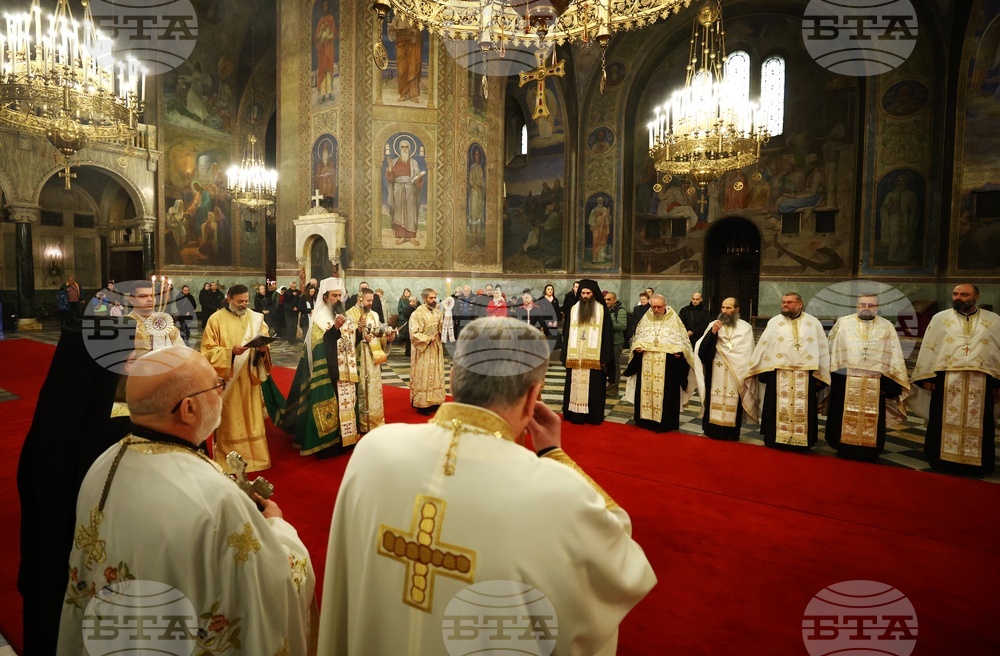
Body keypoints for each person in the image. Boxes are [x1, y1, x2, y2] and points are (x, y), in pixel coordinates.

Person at [317, 317, 657, 655]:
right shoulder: (557, 493)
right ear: (532, 398)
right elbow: (624, 563)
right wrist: (554, 454)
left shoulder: (373, 451)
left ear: (452, 377)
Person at [56, 346, 315, 655]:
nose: (221, 392)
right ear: (188, 409)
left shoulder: (103, 465)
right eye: (216, 385)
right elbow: (276, 584)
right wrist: (277, 525)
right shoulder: (215, 499)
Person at [18, 325, 133, 655]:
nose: (129, 367)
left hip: (44, 560)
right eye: (123, 360)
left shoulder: (49, 422)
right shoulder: (108, 435)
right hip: (79, 569)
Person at [909, 284, 999, 475]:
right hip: (946, 379)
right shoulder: (940, 319)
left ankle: (977, 461)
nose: (958, 297)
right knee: (940, 418)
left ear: (976, 297)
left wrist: (997, 382)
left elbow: (997, 351)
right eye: (955, 294)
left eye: (964, 294)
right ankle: (940, 458)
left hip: (982, 381)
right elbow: (930, 348)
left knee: (982, 421)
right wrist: (928, 376)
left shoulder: (993, 321)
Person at [279, 278, 361, 456]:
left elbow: (351, 340)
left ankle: (345, 438)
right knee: (330, 405)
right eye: (334, 296)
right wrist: (334, 330)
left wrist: (360, 333)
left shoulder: (343, 315)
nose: (338, 299)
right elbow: (320, 344)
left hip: (346, 369)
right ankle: (327, 443)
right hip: (328, 370)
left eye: (340, 295)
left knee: (345, 404)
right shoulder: (319, 317)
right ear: (325, 297)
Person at [742, 292, 831, 451]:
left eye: (789, 302)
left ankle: (802, 441)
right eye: (783, 302)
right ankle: (775, 439)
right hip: (778, 375)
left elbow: (822, 348)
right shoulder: (774, 323)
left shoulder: (813, 323)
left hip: (805, 376)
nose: (785, 305)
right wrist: (762, 371)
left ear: (800, 304)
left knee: (804, 409)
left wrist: (820, 374)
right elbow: (764, 346)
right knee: (775, 408)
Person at [825, 294, 910, 460]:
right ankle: (841, 444)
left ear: (877, 307)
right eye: (862, 304)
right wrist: (831, 376)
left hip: (876, 381)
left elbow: (894, 356)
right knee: (841, 411)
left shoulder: (886, 326)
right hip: (845, 379)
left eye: (870, 305)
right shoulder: (843, 322)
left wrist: (890, 382)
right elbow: (831, 349)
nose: (866, 307)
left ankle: (871, 449)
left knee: (873, 415)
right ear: (857, 305)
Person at [201, 284, 274, 472]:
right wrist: (230, 352)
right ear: (229, 298)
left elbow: (264, 339)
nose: (244, 304)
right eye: (240, 301)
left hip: (250, 377)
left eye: (246, 301)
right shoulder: (215, 320)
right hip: (229, 380)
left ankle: (256, 457)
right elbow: (207, 352)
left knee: (252, 419)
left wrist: (263, 349)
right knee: (232, 421)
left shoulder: (256, 318)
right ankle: (229, 460)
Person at [624, 294, 695, 433]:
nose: (656, 310)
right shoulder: (645, 321)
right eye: (653, 307)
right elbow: (637, 339)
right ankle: (644, 420)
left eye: (659, 307)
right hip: (646, 365)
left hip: (668, 367)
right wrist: (637, 349)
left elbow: (683, 343)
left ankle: (665, 422)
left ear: (665, 305)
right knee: (645, 391)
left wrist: (679, 354)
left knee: (666, 394)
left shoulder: (674, 321)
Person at [694, 297, 755, 440]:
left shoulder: (746, 328)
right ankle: (712, 430)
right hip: (715, 370)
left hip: (736, 372)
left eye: (729, 308)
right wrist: (713, 333)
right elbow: (702, 351)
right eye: (723, 307)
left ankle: (731, 433)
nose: (725, 311)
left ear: (737, 310)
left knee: (734, 401)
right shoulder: (713, 325)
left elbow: (748, 353)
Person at [561, 279, 614, 424]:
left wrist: (604, 357)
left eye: (588, 293)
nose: (585, 296)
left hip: (594, 360)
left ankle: (593, 416)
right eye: (582, 293)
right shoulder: (573, 309)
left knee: (594, 389)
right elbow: (566, 333)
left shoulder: (602, 311)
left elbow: (607, 336)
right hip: (575, 358)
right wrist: (565, 353)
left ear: (594, 294)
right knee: (574, 386)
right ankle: (573, 414)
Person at [347, 288, 396, 433]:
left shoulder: (374, 314)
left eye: (372, 300)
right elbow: (346, 338)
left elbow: (378, 332)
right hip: (360, 359)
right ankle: (362, 424)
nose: (370, 303)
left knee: (374, 390)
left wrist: (387, 336)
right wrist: (361, 336)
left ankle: (375, 421)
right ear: (360, 299)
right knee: (362, 390)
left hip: (373, 358)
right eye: (368, 300)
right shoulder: (350, 314)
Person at [409, 288, 446, 415]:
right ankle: (422, 404)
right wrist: (428, 338)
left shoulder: (438, 313)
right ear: (424, 299)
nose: (434, 300)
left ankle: (435, 401)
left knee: (436, 374)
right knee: (423, 376)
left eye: (435, 297)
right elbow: (414, 334)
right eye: (431, 298)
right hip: (423, 351)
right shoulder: (417, 314)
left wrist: (446, 324)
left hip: (435, 349)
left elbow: (443, 330)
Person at [385, 139, 425, 245]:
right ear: (399, 149)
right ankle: (402, 236)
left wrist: (418, 177)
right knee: (399, 212)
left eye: (406, 147)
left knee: (410, 212)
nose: (404, 149)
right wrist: (389, 167)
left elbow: (417, 176)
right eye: (402, 147)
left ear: (409, 149)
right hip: (398, 189)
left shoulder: (413, 162)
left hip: (410, 188)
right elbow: (390, 178)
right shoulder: (394, 162)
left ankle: (411, 237)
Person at [880, 173, 918, 264]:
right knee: (894, 238)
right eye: (899, 180)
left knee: (905, 237)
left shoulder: (910, 194)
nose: (901, 183)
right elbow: (883, 208)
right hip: (894, 219)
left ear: (906, 182)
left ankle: (905, 258)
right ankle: (892, 258)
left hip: (906, 219)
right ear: (895, 182)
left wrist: (912, 207)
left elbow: (916, 209)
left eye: (903, 181)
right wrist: (888, 207)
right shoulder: (891, 194)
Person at [388, 11, 422, 102]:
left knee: (412, 67)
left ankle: (413, 94)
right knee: (401, 69)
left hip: (412, 43)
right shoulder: (397, 16)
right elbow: (392, 27)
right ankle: (403, 93)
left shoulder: (414, 15)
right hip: (401, 42)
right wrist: (392, 28)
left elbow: (419, 28)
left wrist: (415, 32)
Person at [606, 291, 629, 397]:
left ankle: (615, 386)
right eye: (605, 299)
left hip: (616, 341)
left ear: (615, 300)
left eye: (609, 299)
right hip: (608, 341)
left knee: (615, 364)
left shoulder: (620, 310)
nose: (606, 301)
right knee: (608, 364)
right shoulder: (606, 309)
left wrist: (609, 323)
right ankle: (610, 383)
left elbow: (622, 326)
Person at [315, 0, 338, 101]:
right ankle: (323, 95)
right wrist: (321, 37)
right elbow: (317, 37)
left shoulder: (331, 19)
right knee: (322, 71)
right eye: (324, 7)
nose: (325, 8)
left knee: (329, 70)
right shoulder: (320, 22)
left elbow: (332, 32)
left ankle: (330, 93)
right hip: (322, 50)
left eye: (326, 6)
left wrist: (326, 36)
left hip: (329, 48)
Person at [588, 196, 612, 264]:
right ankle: (595, 259)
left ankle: (601, 259)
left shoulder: (605, 210)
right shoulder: (594, 210)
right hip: (596, 228)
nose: (600, 201)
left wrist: (608, 214)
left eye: (601, 200)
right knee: (596, 242)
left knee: (603, 242)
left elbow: (608, 220)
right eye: (599, 200)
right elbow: (590, 220)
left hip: (603, 228)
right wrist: (595, 223)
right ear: (596, 201)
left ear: (603, 201)